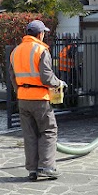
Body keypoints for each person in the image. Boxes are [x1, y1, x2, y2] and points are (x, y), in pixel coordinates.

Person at [9, 20, 67, 181]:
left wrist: (20, 91)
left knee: (30, 134)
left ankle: (33, 170)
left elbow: (12, 77)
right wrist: (60, 83)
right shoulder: (41, 50)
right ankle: (47, 167)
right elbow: (46, 77)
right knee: (48, 131)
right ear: (40, 34)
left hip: (23, 98)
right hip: (40, 98)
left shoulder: (16, 51)